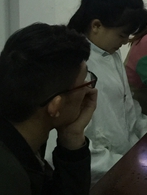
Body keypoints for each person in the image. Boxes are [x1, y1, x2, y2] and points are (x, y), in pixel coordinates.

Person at [66, 0, 147, 185]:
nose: (125, 42)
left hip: (126, 161)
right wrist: (124, 165)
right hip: (100, 172)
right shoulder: (76, 65)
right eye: (122, 35)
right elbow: (75, 140)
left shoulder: (110, 53)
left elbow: (128, 106)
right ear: (96, 26)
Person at [0, 23, 97, 195]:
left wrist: (72, 137)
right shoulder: (10, 180)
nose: (89, 90)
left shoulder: (24, 131)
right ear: (55, 105)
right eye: (84, 82)